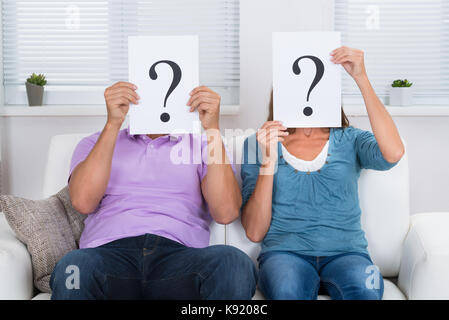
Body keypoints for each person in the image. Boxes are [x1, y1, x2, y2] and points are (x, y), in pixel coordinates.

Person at [50, 83, 257, 300]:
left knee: (234, 263)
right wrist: (113, 123)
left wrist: (212, 129)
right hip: (108, 255)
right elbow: (82, 202)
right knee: (71, 268)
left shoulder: (203, 145)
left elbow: (226, 212)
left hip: (179, 259)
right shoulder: (94, 142)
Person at [240, 46, 405, 300]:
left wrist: (361, 78)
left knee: (366, 289)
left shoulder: (350, 139)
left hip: (349, 253)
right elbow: (254, 232)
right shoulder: (257, 143)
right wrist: (269, 159)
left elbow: (393, 153)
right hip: (284, 254)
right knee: (286, 291)